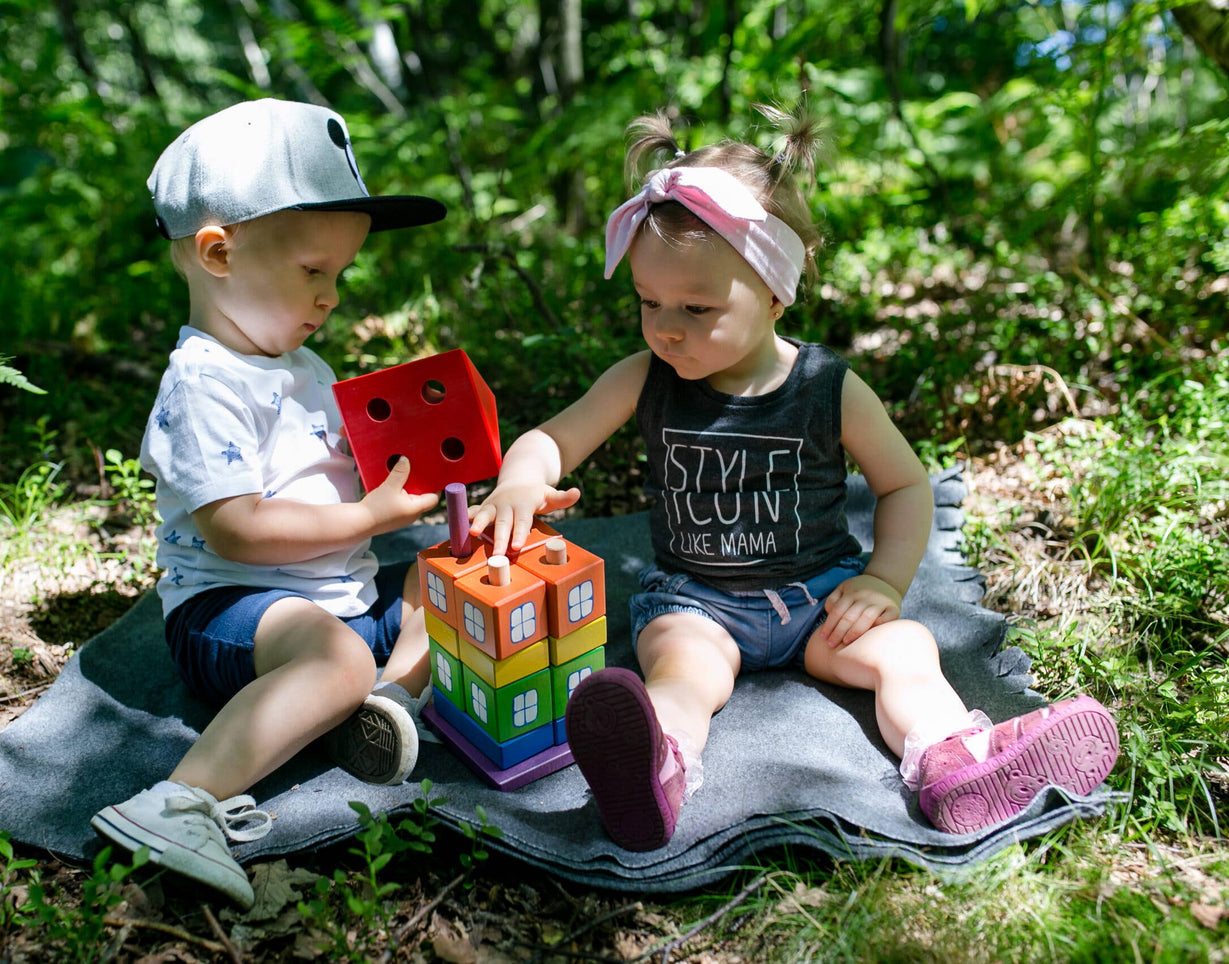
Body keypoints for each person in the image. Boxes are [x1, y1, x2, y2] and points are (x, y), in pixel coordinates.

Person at [469, 106, 1119, 852]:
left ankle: (954, 763)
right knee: (681, 674)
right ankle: (654, 772)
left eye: (696, 307)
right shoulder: (644, 378)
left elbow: (905, 486)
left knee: (905, 651)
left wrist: (882, 581)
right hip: (697, 600)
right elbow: (553, 438)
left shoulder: (824, 385)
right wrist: (522, 476)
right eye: (647, 302)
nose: (665, 327)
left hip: (819, 600)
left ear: (776, 292)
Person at [91, 98, 447, 907]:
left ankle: (384, 701)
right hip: (233, 606)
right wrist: (365, 519)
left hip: (340, 599)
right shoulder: (204, 383)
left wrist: (404, 470)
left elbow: (328, 475)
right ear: (218, 253)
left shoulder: (304, 364)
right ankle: (179, 802)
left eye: (339, 276)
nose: (329, 296)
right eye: (312, 271)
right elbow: (239, 528)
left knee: (446, 573)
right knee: (333, 657)